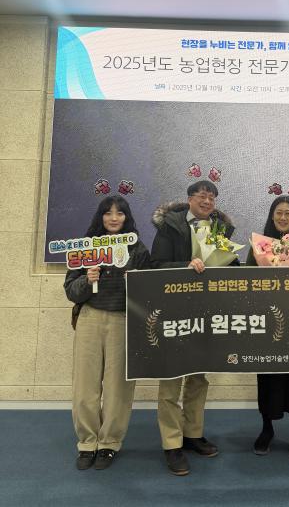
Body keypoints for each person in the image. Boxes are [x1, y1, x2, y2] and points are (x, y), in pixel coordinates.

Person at [151, 180, 237, 476]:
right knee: (171, 379)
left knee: (199, 377)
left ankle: (193, 433)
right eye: (202, 196)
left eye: (212, 197)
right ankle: (171, 443)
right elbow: (155, 266)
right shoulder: (170, 226)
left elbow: (230, 266)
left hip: (207, 312)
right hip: (174, 312)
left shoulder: (219, 230)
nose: (207, 201)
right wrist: (185, 267)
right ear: (189, 199)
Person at [64, 195, 150, 470]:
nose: (114, 218)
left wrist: (135, 283)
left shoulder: (138, 249)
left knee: (118, 388)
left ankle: (109, 443)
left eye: (119, 213)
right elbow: (70, 290)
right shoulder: (87, 247)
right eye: (108, 213)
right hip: (90, 318)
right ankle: (87, 443)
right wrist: (87, 281)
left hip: (123, 321)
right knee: (85, 385)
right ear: (100, 217)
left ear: (127, 217)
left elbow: (149, 294)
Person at [246, 195, 289, 460]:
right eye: (279, 213)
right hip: (267, 321)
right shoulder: (258, 246)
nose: (283, 217)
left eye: (288, 213)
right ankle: (267, 428)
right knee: (267, 377)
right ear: (272, 216)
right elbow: (246, 281)